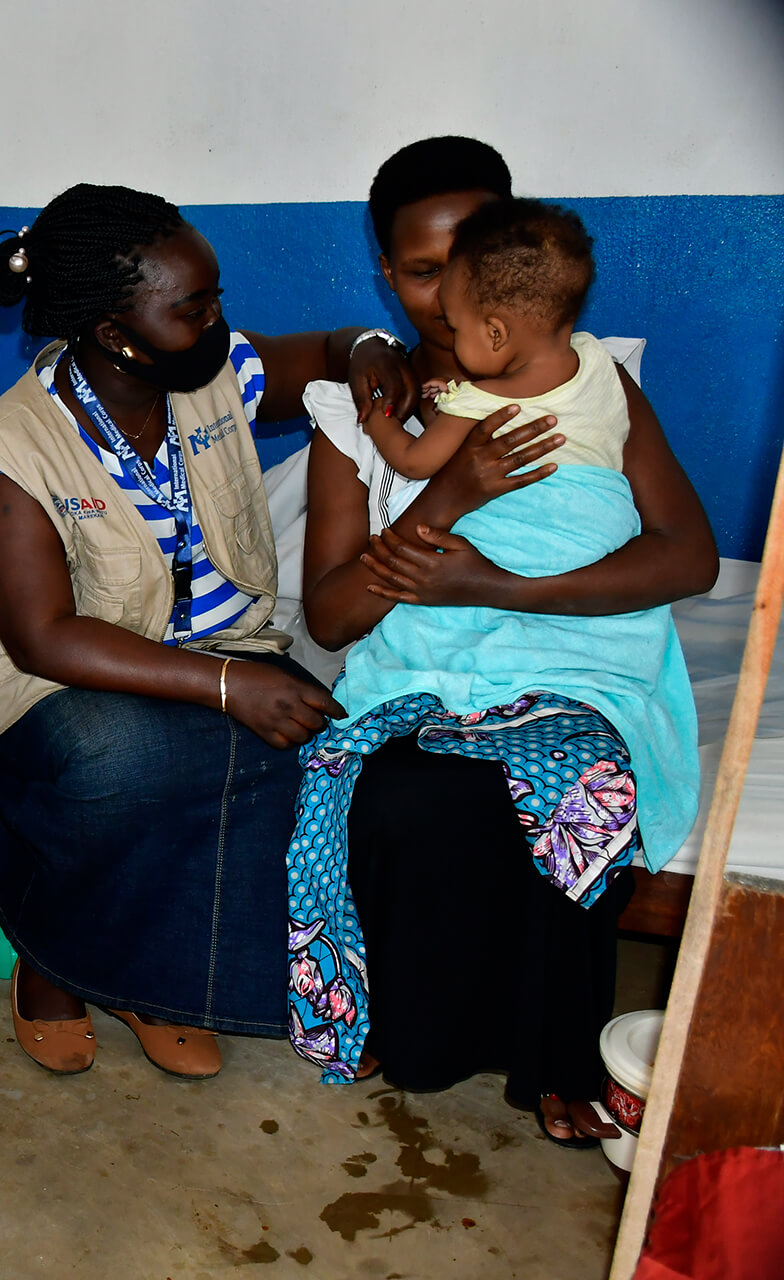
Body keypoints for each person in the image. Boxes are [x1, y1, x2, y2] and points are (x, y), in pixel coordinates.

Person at [0, 183, 418, 1079]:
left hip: (218, 653)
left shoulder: (213, 370)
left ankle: (153, 980)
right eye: (192, 308)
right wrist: (229, 688)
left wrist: (365, 345)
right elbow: (42, 636)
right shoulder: (6, 455)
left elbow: (320, 354)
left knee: (320, 754)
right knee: (128, 757)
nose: (218, 320)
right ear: (114, 331)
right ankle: (53, 956)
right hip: (57, 675)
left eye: (216, 296)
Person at [290, 137, 717, 1146]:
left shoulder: (590, 382)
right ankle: (416, 1030)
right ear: (389, 276)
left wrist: (500, 580)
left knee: (575, 787)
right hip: (425, 672)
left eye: (469, 265)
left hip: (579, 664)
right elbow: (335, 615)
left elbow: (687, 556)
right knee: (403, 790)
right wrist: (452, 491)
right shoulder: (366, 416)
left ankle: (562, 1053)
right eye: (423, 272)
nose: (448, 303)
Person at [358, 199, 623, 481]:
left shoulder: (480, 399)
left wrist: (378, 422)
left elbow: (414, 463)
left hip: (532, 517)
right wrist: (456, 392)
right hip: (610, 513)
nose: (452, 333)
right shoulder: (594, 356)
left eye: (456, 327)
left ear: (496, 334)